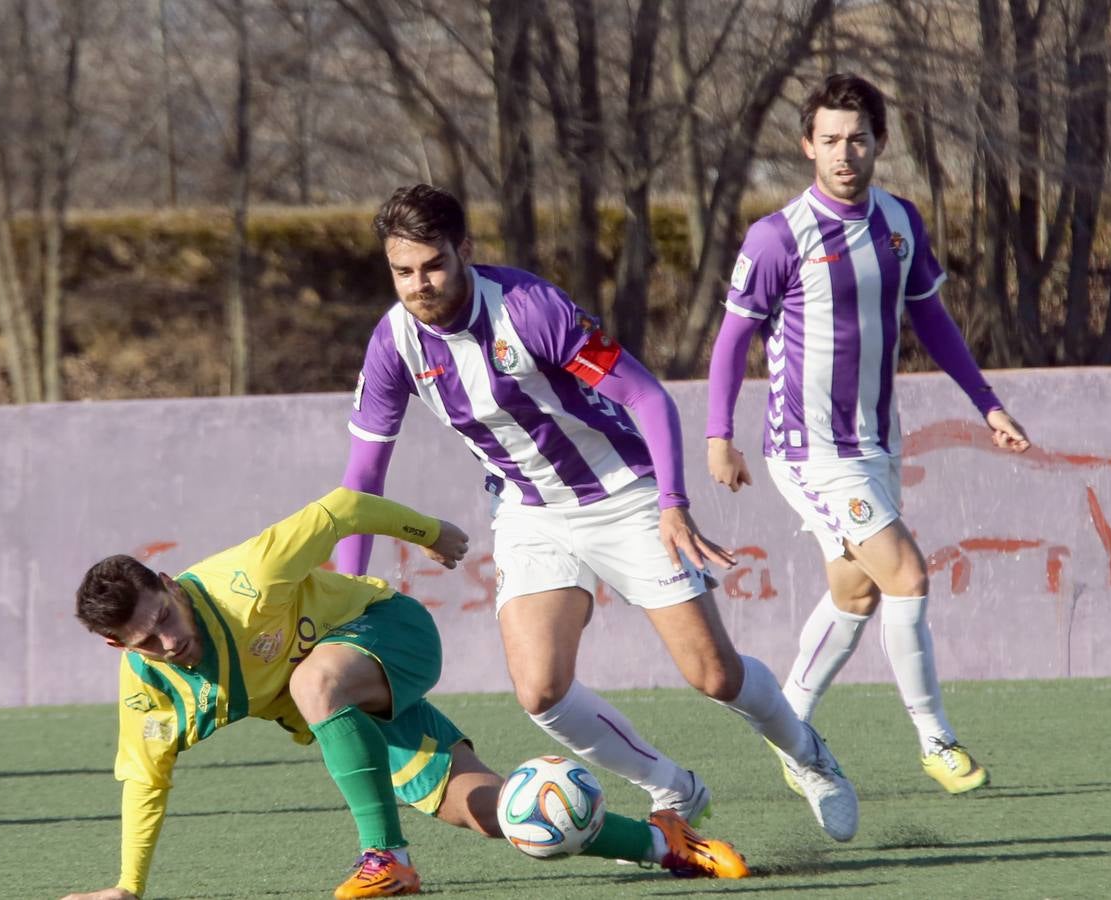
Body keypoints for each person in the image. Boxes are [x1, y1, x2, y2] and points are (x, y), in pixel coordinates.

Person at [336, 184, 858, 845]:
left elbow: (647, 397)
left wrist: (672, 504)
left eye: (433, 265)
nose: (419, 284)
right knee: (540, 691)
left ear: (463, 250)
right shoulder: (394, 343)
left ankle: (808, 755)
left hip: (624, 494)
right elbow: (363, 477)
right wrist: (352, 590)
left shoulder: (530, 309)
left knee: (714, 675)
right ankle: (672, 788)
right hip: (529, 511)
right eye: (402, 271)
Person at [59, 486, 749, 900]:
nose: (168, 641)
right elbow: (144, 782)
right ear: (118, 647)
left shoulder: (248, 578)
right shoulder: (147, 694)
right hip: (353, 718)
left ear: (169, 585)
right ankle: (667, 843)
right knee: (503, 815)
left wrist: (432, 533)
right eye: (145, 640)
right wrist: (128, 887)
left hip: (390, 633)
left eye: (166, 618)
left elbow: (340, 509)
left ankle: (386, 858)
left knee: (312, 680)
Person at [705, 73, 1031, 795]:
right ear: (806, 146)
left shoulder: (900, 221)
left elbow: (933, 322)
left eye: (857, 138)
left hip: (878, 444)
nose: (844, 153)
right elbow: (732, 341)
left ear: (880, 143)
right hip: (809, 452)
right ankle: (936, 738)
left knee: (856, 595)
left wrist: (988, 404)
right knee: (907, 575)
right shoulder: (775, 237)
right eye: (829, 140)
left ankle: (788, 721)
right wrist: (717, 435)